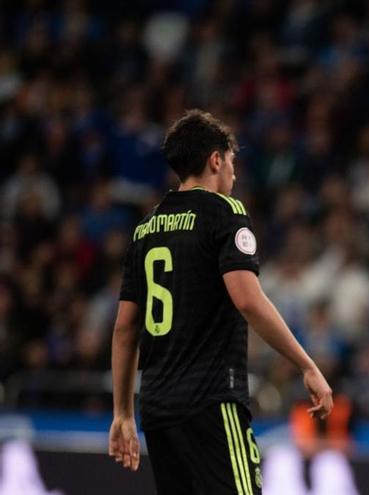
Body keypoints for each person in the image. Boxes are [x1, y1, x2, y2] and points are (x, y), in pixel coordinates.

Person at [107, 110, 333, 495]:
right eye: (231, 161)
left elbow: (125, 328)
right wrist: (306, 364)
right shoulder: (224, 212)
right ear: (215, 159)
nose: (234, 173)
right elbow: (248, 299)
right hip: (211, 401)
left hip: (158, 408)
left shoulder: (146, 229)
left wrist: (122, 412)